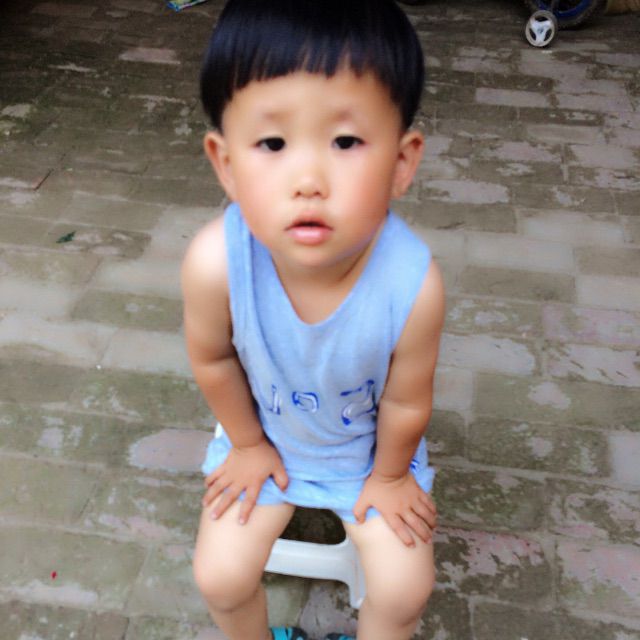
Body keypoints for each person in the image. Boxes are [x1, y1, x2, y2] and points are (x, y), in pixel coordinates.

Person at [182, 1, 445, 638]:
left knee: (405, 588)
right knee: (219, 577)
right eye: (272, 143)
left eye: (345, 142)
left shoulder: (413, 285)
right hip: (266, 441)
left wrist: (390, 477)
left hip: (367, 459)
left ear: (402, 162)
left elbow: (407, 400)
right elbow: (213, 358)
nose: (308, 179)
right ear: (225, 163)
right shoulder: (216, 263)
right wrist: (248, 446)